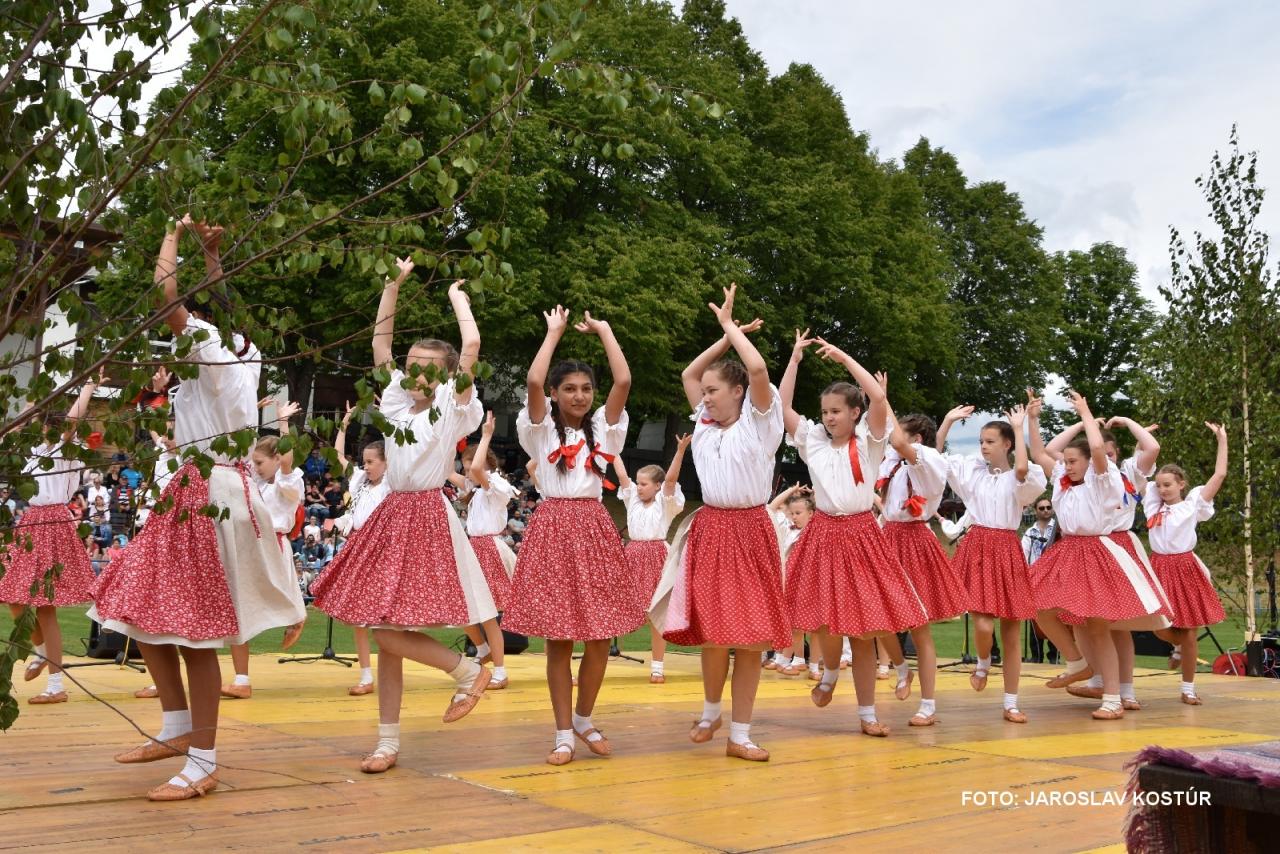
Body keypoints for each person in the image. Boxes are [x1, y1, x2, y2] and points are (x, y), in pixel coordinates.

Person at [91, 216, 307, 800]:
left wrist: (173, 231)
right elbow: (223, 305)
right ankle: (177, 728)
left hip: (208, 492)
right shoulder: (239, 352)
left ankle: (203, 761)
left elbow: (168, 295)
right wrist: (213, 256)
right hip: (196, 488)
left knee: (193, 632)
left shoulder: (211, 344)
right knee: (140, 612)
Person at [309, 262, 493, 775]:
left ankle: (467, 671)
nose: (416, 373)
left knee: (386, 633)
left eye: (429, 367)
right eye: (412, 365)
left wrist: (457, 298)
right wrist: (392, 285)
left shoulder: (452, 406)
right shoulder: (395, 405)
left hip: (425, 515)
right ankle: (387, 742)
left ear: (447, 373)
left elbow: (472, 345)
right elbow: (380, 344)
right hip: (393, 514)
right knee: (385, 634)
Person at [649, 288, 789, 762]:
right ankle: (711, 713)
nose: (704, 397)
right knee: (713, 631)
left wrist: (732, 328)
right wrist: (723, 339)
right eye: (704, 393)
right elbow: (689, 374)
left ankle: (741, 734)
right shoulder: (705, 424)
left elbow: (758, 371)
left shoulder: (760, 424)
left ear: (737, 393)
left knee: (749, 639)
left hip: (750, 530)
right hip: (711, 529)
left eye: (713, 391)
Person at [501, 305, 643, 767]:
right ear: (556, 393)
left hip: (594, 529)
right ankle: (563, 733)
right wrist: (554, 333)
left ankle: (583, 718)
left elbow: (623, 380)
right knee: (559, 640)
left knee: (600, 637)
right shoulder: (540, 432)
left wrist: (605, 330)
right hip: (553, 530)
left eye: (585, 389)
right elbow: (533, 381)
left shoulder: (604, 430)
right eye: (570, 388)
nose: (579, 396)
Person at [780, 330, 927, 738]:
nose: (829, 417)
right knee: (823, 621)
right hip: (823, 532)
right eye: (825, 411)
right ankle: (829, 672)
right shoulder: (813, 440)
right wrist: (794, 360)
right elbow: (783, 407)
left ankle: (867, 713)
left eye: (836, 411)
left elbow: (878, 398)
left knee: (863, 631)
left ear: (854, 413)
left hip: (861, 534)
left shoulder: (869, 441)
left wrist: (844, 357)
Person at [1026, 392, 1171, 720]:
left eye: (1072, 462)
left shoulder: (1102, 480)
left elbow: (1096, 449)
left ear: (1090, 464)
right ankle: (1078, 663)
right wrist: (1033, 420)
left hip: (1097, 552)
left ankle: (1113, 697)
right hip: (1068, 552)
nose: (1066, 466)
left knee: (1099, 627)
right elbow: (1040, 452)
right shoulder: (1063, 482)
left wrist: (1086, 413)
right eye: (1065, 462)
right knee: (1038, 606)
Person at [937, 402, 1047, 723]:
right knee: (984, 625)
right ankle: (984, 661)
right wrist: (947, 421)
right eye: (981, 441)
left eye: (990, 441)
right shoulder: (973, 473)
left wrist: (1020, 428)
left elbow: (1022, 470)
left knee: (1011, 632)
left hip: (1007, 549)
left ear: (1007, 444)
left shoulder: (1019, 477)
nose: (983, 446)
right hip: (978, 547)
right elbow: (936, 455)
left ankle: (1011, 703)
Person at [1, 375, 101, 704]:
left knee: (45, 607)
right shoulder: (36, 452)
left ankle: (56, 685)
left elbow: (72, 422)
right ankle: (43, 652)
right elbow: (15, 428)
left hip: (52, 522)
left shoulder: (66, 450)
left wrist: (89, 387)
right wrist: (30, 406)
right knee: (14, 596)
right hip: (31, 522)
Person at [875, 404, 971, 726]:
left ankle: (928, 705)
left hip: (914, 540)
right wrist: (945, 422)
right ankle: (903, 669)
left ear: (915, 439)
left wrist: (882, 399)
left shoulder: (927, 462)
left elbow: (920, 450)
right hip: (888, 537)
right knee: (879, 619)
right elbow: (906, 445)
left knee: (920, 627)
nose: (893, 438)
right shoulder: (897, 463)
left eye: (901, 433)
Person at [222, 403, 307, 701]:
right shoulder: (255, 482)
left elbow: (287, 462)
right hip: (252, 546)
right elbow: (239, 454)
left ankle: (295, 614)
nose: (255, 467)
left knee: (245, 604)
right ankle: (241, 679)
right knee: (238, 607)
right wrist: (248, 415)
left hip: (273, 546)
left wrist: (282, 423)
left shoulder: (288, 485)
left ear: (277, 458)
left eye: (260, 462)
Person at [1147, 423, 1229, 705]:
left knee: (1191, 630)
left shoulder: (1191, 503)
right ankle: (1179, 646)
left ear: (1181, 484)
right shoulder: (1152, 505)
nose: (1162, 489)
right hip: (1158, 567)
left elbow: (1219, 475)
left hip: (1184, 567)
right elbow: (1141, 468)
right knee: (1158, 626)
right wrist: (1142, 440)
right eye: (1159, 485)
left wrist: (1222, 440)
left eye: (1168, 484)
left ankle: (1188, 688)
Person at [612, 434, 691, 684]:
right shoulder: (632, 500)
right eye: (638, 483)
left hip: (657, 556)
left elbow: (671, 480)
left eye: (644, 483)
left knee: (657, 612)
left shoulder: (665, 504)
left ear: (657, 486)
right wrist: (611, 448)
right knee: (617, 609)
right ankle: (597, 661)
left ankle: (657, 667)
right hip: (633, 555)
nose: (638, 487)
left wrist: (680, 451)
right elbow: (621, 475)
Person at [327, 403, 391, 696]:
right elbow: (339, 457)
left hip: (380, 550)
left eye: (371, 462)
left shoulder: (390, 483)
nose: (365, 466)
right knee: (358, 615)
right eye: (364, 461)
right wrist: (344, 422)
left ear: (386, 463)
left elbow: (397, 446)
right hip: (358, 546)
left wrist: (386, 415)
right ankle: (366, 675)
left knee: (383, 618)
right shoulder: (361, 481)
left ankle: (387, 670)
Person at [454, 412, 517, 690]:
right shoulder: (477, 489)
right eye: (466, 468)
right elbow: (444, 472)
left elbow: (479, 468)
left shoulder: (495, 486)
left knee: (489, 616)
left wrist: (487, 435)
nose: (468, 472)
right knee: (461, 607)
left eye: (470, 467)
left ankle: (500, 672)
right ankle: (482, 649)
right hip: (473, 549)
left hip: (488, 549)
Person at [766, 483, 815, 677]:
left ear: (811, 514)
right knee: (790, 621)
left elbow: (825, 508)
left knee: (799, 623)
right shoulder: (789, 529)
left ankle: (791, 659)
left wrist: (816, 493)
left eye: (798, 513)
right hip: (789, 580)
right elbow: (771, 508)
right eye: (792, 513)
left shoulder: (815, 529)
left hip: (807, 582)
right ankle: (792, 658)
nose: (794, 516)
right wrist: (790, 491)